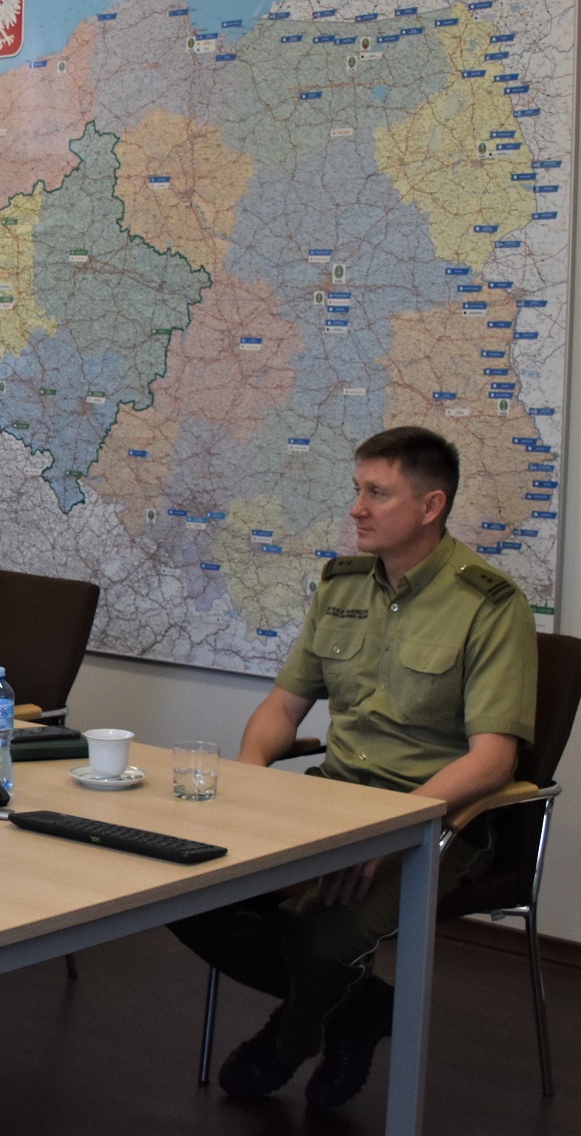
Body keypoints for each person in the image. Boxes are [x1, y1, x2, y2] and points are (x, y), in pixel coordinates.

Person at [172, 426, 536, 1109]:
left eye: (377, 493)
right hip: (332, 800)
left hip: (434, 819)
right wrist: (248, 774)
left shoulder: (489, 604)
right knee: (184, 884)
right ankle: (361, 1008)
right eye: (356, 489)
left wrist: (390, 830)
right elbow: (282, 707)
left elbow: (494, 759)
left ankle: (286, 1042)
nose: (357, 508)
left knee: (323, 933)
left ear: (430, 506)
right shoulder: (341, 585)